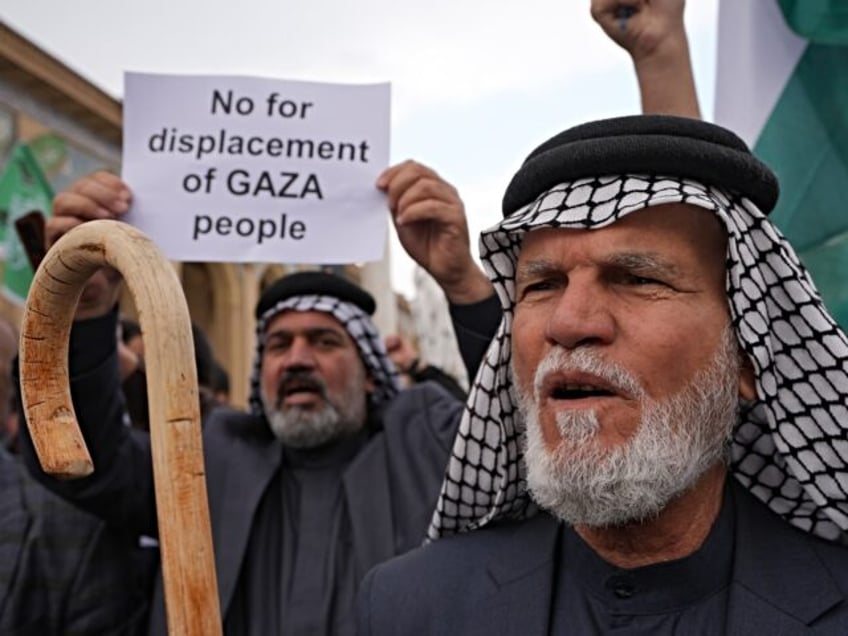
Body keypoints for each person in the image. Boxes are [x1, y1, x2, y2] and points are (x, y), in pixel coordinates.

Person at [356, 114, 848, 634]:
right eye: (542, 285)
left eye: (637, 278)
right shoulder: (410, 607)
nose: (568, 323)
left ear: (749, 356)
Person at [18, 160, 499, 635]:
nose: (296, 360)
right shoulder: (212, 456)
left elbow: (525, 440)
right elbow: (82, 461)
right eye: (278, 344)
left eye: (325, 342)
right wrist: (84, 308)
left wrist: (464, 286)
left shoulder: (426, 443)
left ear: (372, 372)